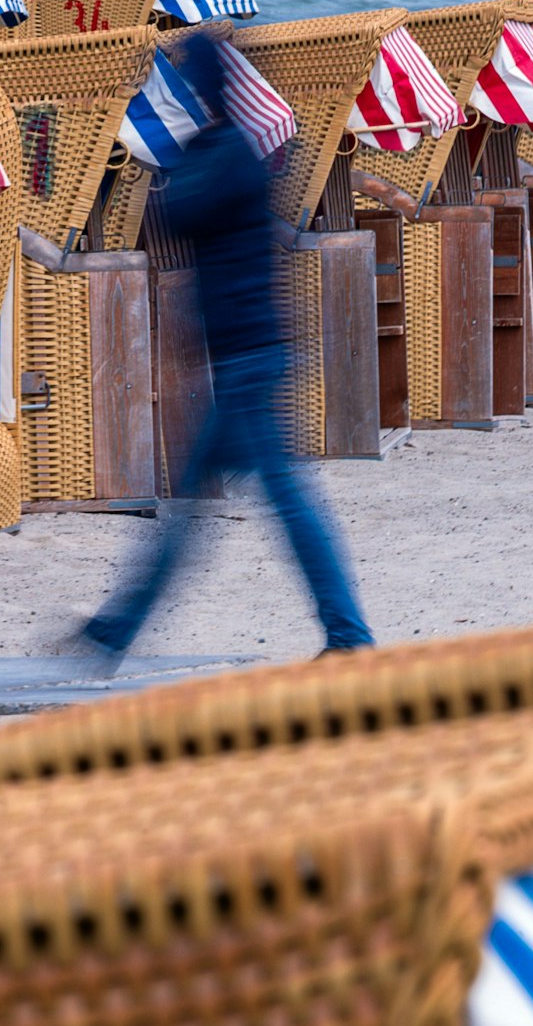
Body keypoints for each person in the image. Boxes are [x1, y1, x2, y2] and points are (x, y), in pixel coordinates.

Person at [82, 34, 374, 660]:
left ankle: (349, 634)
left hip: (246, 362)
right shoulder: (229, 149)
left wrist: (169, 140)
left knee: (281, 502)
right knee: (193, 509)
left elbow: (177, 212)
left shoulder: (225, 155)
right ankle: (116, 629)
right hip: (243, 356)